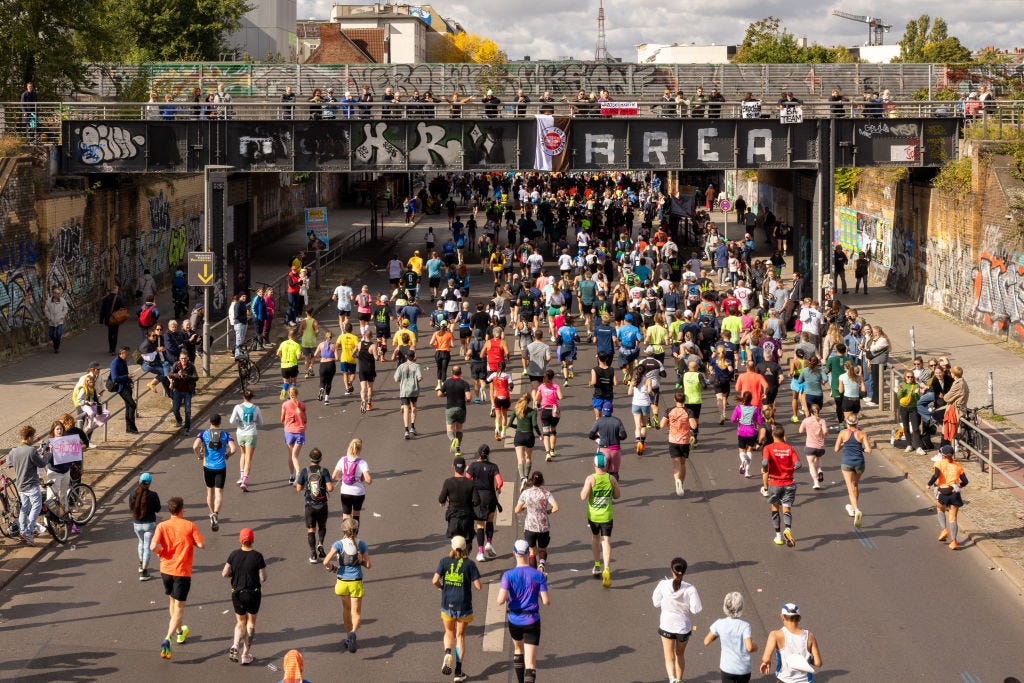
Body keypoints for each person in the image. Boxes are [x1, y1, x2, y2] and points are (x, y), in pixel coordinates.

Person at [150, 496, 205, 659]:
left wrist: (161, 553)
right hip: (182, 571)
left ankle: (180, 632)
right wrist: (192, 542)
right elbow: (202, 544)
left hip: (165, 570)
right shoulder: (189, 526)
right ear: (181, 510)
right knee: (180, 607)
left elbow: (153, 546)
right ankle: (168, 637)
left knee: (172, 602)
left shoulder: (162, 526)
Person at [498, 539, 550, 683]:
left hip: (514, 620)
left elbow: (500, 600)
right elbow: (546, 601)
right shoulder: (538, 575)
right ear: (528, 554)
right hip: (532, 620)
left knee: (518, 650)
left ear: (514, 554)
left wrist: (509, 597)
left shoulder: (508, 575)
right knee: (531, 663)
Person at [432, 535, 482, 683]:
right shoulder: (470, 564)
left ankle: (448, 652)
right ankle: (458, 671)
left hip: (448, 603)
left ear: (452, 547)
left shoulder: (444, 562)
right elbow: (478, 586)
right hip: (464, 605)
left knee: (449, 632)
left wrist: (442, 587)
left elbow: (434, 580)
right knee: (460, 636)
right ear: (465, 547)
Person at [652, 557, 703, 683]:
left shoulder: (663, 585)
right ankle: (679, 680)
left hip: (666, 625)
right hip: (683, 628)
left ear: (671, 570)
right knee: (680, 655)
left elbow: (656, 603)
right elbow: (696, 609)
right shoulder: (690, 589)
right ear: (685, 572)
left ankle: (671, 679)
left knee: (669, 656)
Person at [323, 518, 371, 653]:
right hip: (355, 581)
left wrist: (334, 569)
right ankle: (353, 633)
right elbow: (368, 565)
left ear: (343, 530)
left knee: (346, 609)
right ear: (357, 530)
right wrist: (360, 562)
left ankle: (348, 636)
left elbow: (325, 562)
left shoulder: (338, 544)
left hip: (342, 581)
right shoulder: (362, 544)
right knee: (355, 612)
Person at [223, 528, 266, 665]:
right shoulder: (257, 556)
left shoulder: (233, 554)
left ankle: (235, 644)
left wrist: (233, 574)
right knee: (251, 623)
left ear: (240, 540)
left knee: (240, 622)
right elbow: (263, 577)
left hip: (237, 593)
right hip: (253, 593)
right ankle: (245, 655)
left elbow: (224, 573)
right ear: (252, 540)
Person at [580, 452, 621, 587]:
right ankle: (607, 569)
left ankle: (597, 565)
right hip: (607, 515)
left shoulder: (590, 479)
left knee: (595, 538)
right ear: (606, 465)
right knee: (606, 541)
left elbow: (583, 496)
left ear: (594, 465)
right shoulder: (611, 479)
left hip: (593, 516)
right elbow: (617, 495)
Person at [193, 414, 236, 531]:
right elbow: (234, 449)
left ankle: (211, 513)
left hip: (207, 467)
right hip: (221, 467)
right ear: (220, 422)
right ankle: (216, 513)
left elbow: (195, 446)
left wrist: (200, 456)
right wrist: (228, 455)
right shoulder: (225, 434)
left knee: (209, 492)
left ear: (209, 421)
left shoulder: (204, 434)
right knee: (219, 493)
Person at [759, 603, 822, 681]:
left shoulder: (775, 635)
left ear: (782, 617)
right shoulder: (809, 636)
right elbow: (818, 663)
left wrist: (766, 663)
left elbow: (766, 658)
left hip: (784, 679)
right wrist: (806, 661)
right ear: (799, 618)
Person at [705, 592, 757, 683]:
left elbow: (706, 641)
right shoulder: (745, 626)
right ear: (741, 607)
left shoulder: (719, 623)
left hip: (727, 668)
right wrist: (755, 646)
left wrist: (718, 634)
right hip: (743, 669)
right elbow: (749, 647)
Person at [761, 425, 800, 547]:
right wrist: (790, 470)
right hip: (789, 483)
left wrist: (765, 468)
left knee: (775, 508)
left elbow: (765, 462)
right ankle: (787, 528)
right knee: (787, 508)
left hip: (775, 483)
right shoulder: (790, 448)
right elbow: (798, 464)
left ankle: (778, 536)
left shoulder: (768, 448)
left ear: (772, 435)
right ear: (784, 436)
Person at [514, 471, 558, 575]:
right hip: (543, 527)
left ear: (531, 481)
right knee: (543, 549)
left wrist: (525, 506)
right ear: (542, 481)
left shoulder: (526, 493)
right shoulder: (546, 493)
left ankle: (534, 574)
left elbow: (517, 510)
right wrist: (548, 512)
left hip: (530, 527)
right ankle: (542, 564)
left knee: (532, 551)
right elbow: (556, 507)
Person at [295, 447, 334, 563]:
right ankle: (320, 543)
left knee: (311, 529)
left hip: (309, 505)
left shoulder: (304, 471)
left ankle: (313, 554)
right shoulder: (324, 471)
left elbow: (298, 488)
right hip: (322, 505)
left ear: (309, 458)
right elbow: (330, 488)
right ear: (321, 459)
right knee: (322, 526)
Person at [9, 425, 47, 545]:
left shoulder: (14, 451)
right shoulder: (31, 450)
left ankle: (22, 532)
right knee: (37, 506)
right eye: (33, 437)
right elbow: (41, 464)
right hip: (31, 485)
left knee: (24, 508)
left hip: (20, 485)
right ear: (29, 437)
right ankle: (29, 533)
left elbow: (10, 463)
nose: (33, 439)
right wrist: (46, 455)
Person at [834, 414, 871, 528]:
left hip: (847, 463)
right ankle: (853, 507)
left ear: (847, 423)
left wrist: (844, 444)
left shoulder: (843, 433)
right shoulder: (862, 434)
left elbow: (836, 449)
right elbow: (869, 450)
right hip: (859, 463)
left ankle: (856, 510)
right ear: (857, 422)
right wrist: (862, 449)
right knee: (855, 485)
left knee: (850, 488)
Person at [467, 444, 503, 563]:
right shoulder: (493, 467)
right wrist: (498, 488)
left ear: (478, 453)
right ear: (488, 454)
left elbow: (467, 479)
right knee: (490, 521)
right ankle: (489, 543)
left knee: (480, 525)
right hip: (490, 497)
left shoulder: (473, 466)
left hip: (478, 498)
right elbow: (500, 482)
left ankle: (481, 552)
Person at [929, 444, 968, 550]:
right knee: (953, 517)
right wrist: (959, 486)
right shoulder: (958, 466)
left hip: (943, 492)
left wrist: (929, 484)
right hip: (954, 493)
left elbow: (936, 475)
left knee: (939, 508)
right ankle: (954, 541)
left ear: (943, 455)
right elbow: (965, 481)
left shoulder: (939, 463)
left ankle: (944, 529)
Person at [440, 456, 480, 552]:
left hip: (453, 517)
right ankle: (464, 559)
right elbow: (476, 501)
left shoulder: (448, 482)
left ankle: (457, 559)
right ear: (465, 467)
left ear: (453, 466)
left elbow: (441, 499)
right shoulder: (471, 483)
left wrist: (444, 502)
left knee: (456, 542)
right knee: (468, 541)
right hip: (467, 517)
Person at [229, 389, 264, 491]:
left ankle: (241, 476)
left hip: (240, 433)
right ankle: (244, 481)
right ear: (252, 397)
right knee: (249, 458)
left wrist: (238, 420)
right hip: (251, 434)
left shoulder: (237, 407)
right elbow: (261, 422)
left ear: (243, 397)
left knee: (243, 454)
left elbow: (231, 421)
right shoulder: (256, 408)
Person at [129, 472, 161, 581]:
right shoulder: (153, 495)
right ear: (150, 483)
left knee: (141, 543)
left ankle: (140, 564)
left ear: (139, 481)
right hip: (149, 525)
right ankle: (144, 572)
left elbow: (131, 507)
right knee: (147, 546)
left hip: (137, 524)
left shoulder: (132, 494)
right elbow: (158, 508)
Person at [332, 438, 372, 523]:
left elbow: (334, 476)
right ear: (360, 449)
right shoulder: (362, 462)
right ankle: (354, 535)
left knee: (346, 515)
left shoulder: (342, 460)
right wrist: (360, 478)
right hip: (358, 493)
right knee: (356, 514)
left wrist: (343, 478)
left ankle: (346, 535)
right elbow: (369, 480)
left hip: (345, 492)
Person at [588, 403, 628, 481]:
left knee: (602, 473)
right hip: (615, 451)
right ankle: (614, 488)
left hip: (603, 451)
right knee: (614, 473)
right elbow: (624, 436)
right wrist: (617, 437)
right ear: (612, 410)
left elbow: (591, 435)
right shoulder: (617, 421)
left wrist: (598, 438)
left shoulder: (599, 421)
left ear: (603, 410)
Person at [509, 392, 542, 486]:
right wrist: (540, 435)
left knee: (520, 459)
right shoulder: (533, 412)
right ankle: (527, 477)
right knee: (528, 457)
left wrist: (518, 427)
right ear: (530, 401)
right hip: (529, 436)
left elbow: (509, 424)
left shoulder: (516, 410)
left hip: (519, 436)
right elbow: (535, 424)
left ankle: (522, 477)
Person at [439, 366, 473, 456]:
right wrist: (468, 400)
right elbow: (468, 397)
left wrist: (447, 394)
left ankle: (454, 440)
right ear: (460, 372)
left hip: (450, 408)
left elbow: (439, 394)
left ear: (452, 372)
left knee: (450, 429)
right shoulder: (464, 383)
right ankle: (458, 449)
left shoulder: (447, 382)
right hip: (461, 408)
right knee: (459, 428)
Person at [732, 391, 764, 478]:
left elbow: (732, 420)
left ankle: (743, 461)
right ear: (751, 399)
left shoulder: (738, 408)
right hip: (752, 432)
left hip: (741, 432)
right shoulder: (755, 409)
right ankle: (747, 472)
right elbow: (760, 421)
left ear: (743, 398)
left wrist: (739, 418)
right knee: (749, 450)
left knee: (741, 450)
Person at [535, 369, 563, 462]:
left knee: (546, 433)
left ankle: (547, 454)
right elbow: (560, 397)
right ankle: (552, 450)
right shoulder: (556, 386)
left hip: (545, 411)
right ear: (553, 377)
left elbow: (537, 398)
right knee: (553, 431)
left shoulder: (541, 386)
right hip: (555, 411)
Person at [281, 386, 307, 485]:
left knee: (290, 455)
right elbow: (305, 420)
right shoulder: (302, 405)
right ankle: (297, 473)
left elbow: (282, 419)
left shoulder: (285, 405)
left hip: (289, 432)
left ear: (289, 394)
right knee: (295, 456)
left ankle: (293, 475)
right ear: (297, 393)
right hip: (300, 432)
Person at [168, 350, 198, 436]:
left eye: (185, 359)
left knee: (187, 411)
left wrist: (187, 376)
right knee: (175, 409)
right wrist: (177, 375)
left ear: (187, 358)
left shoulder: (191, 366)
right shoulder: (176, 365)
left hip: (188, 391)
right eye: (182, 359)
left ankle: (187, 428)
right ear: (179, 358)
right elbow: (170, 374)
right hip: (177, 390)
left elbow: (196, 377)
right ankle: (179, 420)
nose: (183, 360)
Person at [394, 350, 424, 439]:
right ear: (414, 357)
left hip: (404, 390)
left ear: (406, 356)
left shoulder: (401, 366)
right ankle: (412, 427)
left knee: (406, 409)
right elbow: (420, 378)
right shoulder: (417, 366)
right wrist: (414, 381)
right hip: (414, 390)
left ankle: (406, 430)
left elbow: (396, 379)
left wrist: (403, 381)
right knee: (414, 407)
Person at [110, 346, 139, 434]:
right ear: (121, 353)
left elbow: (125, 372)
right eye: (126, 354)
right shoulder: (115, 363)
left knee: (129, 406)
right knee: (132, 405)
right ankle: (131, 426)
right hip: (121, 388)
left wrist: (130, 381)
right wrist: (127, 377)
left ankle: (129, 428)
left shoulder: (123, 361)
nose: (128, 355)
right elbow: (115, 378)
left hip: (127, 386)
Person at [798, 403, 828, 490]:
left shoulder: (806, 420)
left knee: (811, 464)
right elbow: (825, 432)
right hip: (820, 447)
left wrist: (806, 429)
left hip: (810, 446)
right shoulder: (822, 421)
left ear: (810, 411)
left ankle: (816, 482)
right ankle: (819, 470)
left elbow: (800, 431)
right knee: (818, 459)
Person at [486, 360, 514, 441]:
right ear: (505, 367)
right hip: (505, 396)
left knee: (498, 416)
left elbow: (487, 381)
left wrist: (492, 380)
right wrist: (510, 388)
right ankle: (504, 432)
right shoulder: (507, 375)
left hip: (497, 397)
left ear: (498, 367)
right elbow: (511, 385)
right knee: (504, 415)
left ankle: (497, 429)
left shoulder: (494, 374)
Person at [276, 328, 302, 401]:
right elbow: (298, 357)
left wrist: (282, 357)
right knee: (293, 382)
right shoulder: (296, 345)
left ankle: (284, 390)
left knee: (286, 382)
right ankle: (291, 397)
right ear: (294, 336)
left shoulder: (283, 343)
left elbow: (278, 353)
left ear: (288, 336)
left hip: (284, 365)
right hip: (293, 365)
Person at [99, 286, 126, 355]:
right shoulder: (119, 298)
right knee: (115, 333)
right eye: (117, 290)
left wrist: (101, 320)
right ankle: (114, 349)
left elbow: (102, 310)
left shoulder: (105, 299)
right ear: (116, 290)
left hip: (108, 319)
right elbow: (123, 308)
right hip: (116, 318)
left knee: (110, 333)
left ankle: (110, 348)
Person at [314, 330, 338, 405]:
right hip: (331, 364)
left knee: (322, 380)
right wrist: (331, 358)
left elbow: (315, 355)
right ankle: (326, 399)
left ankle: (321, 389)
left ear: (325, 337)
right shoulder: (333, 346)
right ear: (331, 337)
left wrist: (321, 357)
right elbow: (337, 358)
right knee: (329, 382)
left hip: (323, 364)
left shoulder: (321, 344)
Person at [44, 286, 69, 353]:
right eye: (56, 293)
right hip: (51, 321)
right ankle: (55, 343)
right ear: (53, 294)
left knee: (58, 334)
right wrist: (49, 317)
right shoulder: (49, 301)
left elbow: (66, 308)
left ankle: (56, 347)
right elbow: (46, 310)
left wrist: (62, 316)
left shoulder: (62, 300)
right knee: (51, 334)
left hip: (59, 320)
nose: (58, 295)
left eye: (59, 293)